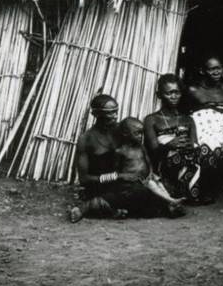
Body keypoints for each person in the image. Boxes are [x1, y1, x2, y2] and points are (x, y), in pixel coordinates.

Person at [70, 94, 176, 222]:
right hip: (104, 187)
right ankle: (96, 207)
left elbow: (139, 156)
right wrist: (118, 176)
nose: (115, 116)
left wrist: (149, 175)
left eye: (116, 112)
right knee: (138, 194)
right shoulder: (86, 139)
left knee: (161, 188)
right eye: (109, 113)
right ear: (95, 114)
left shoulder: (124, 130)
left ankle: (111, 209)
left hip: (128, 185)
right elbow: (84, 179)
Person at [144, 74, 223, 204]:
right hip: (164, 164)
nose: (174, 96)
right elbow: (152, 151)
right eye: (169, 93)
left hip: (188, 160)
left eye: (177, 92)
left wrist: (190, 146)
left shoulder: (187, 119)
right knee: (184, 157)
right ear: (159, 95)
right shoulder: (152, 119)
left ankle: (193, 190)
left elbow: (194, 144)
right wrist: (170, 145)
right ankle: (188, 191)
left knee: (208, 151)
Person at [115, 117, 185, 215]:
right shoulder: (120, 151)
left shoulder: (141, 147)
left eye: (141, 133)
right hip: (133, 182)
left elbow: (147, 161)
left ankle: (170, 201)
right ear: (126, 133)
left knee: (159, 183)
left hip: (146, 177)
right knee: (151, 187)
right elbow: (115, 171)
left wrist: (151, 173)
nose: (140, 136)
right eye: (137, 133)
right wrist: (126, 178)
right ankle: (171, 201)